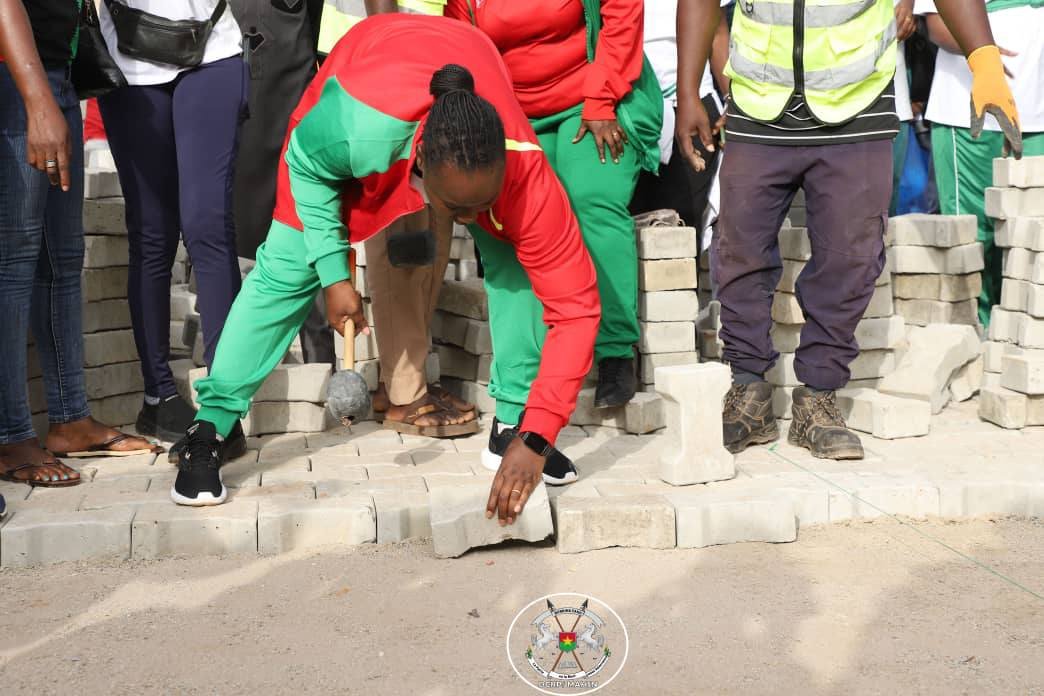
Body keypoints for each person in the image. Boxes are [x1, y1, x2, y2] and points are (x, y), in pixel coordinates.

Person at [171, 15, 600, 525]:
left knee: (516, 265)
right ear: (420, 160)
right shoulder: (358, 129)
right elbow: (306, 164)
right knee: (286, 271)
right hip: (364, 82)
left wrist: (539, 433)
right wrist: (334, 276)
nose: (469, 222)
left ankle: (510, 423)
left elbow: (574, 311)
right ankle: (210, 428)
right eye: (456, 209)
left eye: (480, 205)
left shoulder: (527, 176)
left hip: (469, 60)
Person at [676, 0, 1022, 460]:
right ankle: (748, 391)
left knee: (850, 259)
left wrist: (983, 60)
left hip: (856, 104)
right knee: (738, 249)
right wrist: (687, 92)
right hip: (758, 104)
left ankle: (818, 397)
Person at [444, 0, 663, 412]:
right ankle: (522, 383)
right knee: (515, 223)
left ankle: (615, 349)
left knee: (589, 197)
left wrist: (600, 100)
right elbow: (463, 46)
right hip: (510, 111)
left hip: (591, 98)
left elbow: (622, 13)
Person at [0, 0, 161, 488]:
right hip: (16, 81)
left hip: (54, 71)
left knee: (62, 260)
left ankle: (71, 419)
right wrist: (36, 99)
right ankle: (10, 436)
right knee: (14, 260)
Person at [326, 0, 480, 438]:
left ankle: (403, 380)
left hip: (436, 70)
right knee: (404, 235)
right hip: (387, 70)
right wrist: (392, 50)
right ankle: (403, 396)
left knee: (431, 235)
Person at [96, 0, 248, 442]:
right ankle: (158, 398)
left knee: (208, 224)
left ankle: (222, 407)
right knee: (152, 232)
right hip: (127, 54)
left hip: (214, 47)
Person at [916, 0, 1042, 327]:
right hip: (968, 114)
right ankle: (972, 337)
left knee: (1029, 238)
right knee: (972, 238)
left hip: (1036, 116)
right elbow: (936, 23)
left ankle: (1017, 338)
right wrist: (983, 52)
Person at [630, 0, 731, 237]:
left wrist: (731, 100)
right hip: (622, 109)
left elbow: (717, 31)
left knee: (680, 231)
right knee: (618, 224)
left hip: (691, 110)